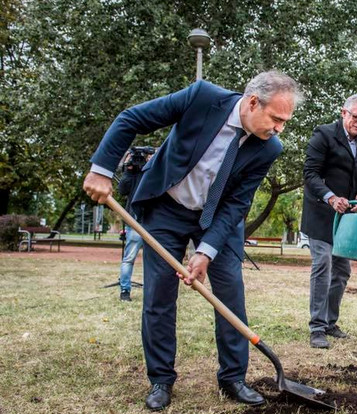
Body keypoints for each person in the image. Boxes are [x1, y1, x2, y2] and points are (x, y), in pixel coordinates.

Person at [83, 71, 302, 411]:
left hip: (216, 218)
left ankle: (233, 378)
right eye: (277, 119)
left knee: (230, 291)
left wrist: (206, 251)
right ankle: (161, 380)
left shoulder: (269, 148)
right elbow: (131, 119)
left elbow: (237, 204)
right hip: (167, 207)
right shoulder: (202, 98)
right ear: (253, 102)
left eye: (285, 122)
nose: (279, 129)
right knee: (158, 293)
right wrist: (101, 169)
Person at [301, 94, 357, 349]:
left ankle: (330, 322)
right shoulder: (323, 135)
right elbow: (310, 174)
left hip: (346, 220)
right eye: (356, 117)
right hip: (321, 214)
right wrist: (331, 198)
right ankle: (317, 328)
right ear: (343, 113)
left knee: (342, 270)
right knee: (323, 265)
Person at [116, 147, 155, 302]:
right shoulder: (132, 174)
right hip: (135, 221)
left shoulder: (154, 170)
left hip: (153, 220)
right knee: (129, 258)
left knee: (154, 259)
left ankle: (152, 291)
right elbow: (122, 190)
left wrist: (152, 162)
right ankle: (125, 290)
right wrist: (128, 169)